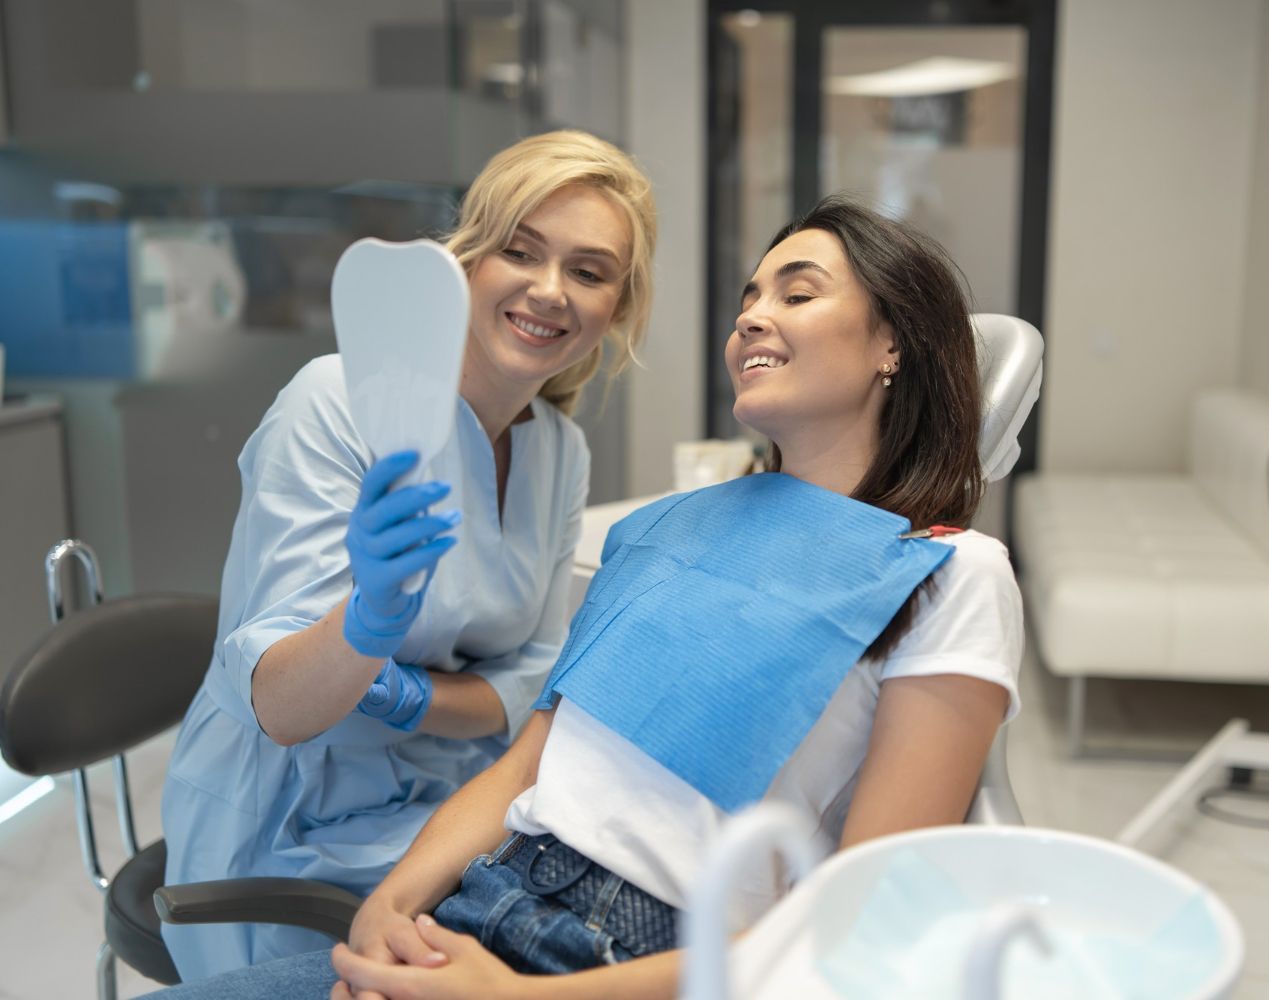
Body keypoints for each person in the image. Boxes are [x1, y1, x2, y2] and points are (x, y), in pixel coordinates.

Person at [151, 196, 1023, 1000]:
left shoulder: (948, 572)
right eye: (750, 295)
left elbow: (857, 925)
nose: (752, 314)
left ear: (892, 345)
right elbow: (525, 768)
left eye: (798, 294)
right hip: (480, 899)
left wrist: (518, 999)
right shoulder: (663, 528)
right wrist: (391, 911)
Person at [159, 130, 657, 981]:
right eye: (521, 251)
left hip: (448, 809)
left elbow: (525, 683)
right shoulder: (336, 404)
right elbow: (279, 703)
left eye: (588, 270)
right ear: (463, 261)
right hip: (289, 818)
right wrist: (366, 624)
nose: (549, 290)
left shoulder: (559, 450)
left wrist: (402, 695)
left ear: (619, 305)